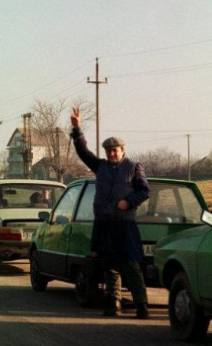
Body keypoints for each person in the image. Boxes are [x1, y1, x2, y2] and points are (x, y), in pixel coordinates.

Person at [69, 106, 151, 319]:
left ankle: (141, 305)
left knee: (132, 265)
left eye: (115, 150)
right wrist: (77, 129)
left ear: (123, 150)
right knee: (110, 266)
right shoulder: (101, 166)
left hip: (125, 224)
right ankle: (113, 304)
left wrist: (128, 202)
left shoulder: (134, 167)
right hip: (104, 223)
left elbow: (144, 191)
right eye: (108, 151)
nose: (112, 153)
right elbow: (83, 152)